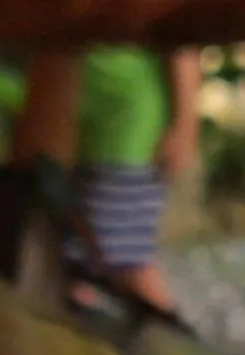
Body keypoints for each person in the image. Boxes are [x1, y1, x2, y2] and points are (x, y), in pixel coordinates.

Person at [15, 46, 201, 319]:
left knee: (124, 261)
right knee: (73, 256)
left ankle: (175, 346)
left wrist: (184, 127)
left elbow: (183, 46)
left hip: (125, 131)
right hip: (81, 123)